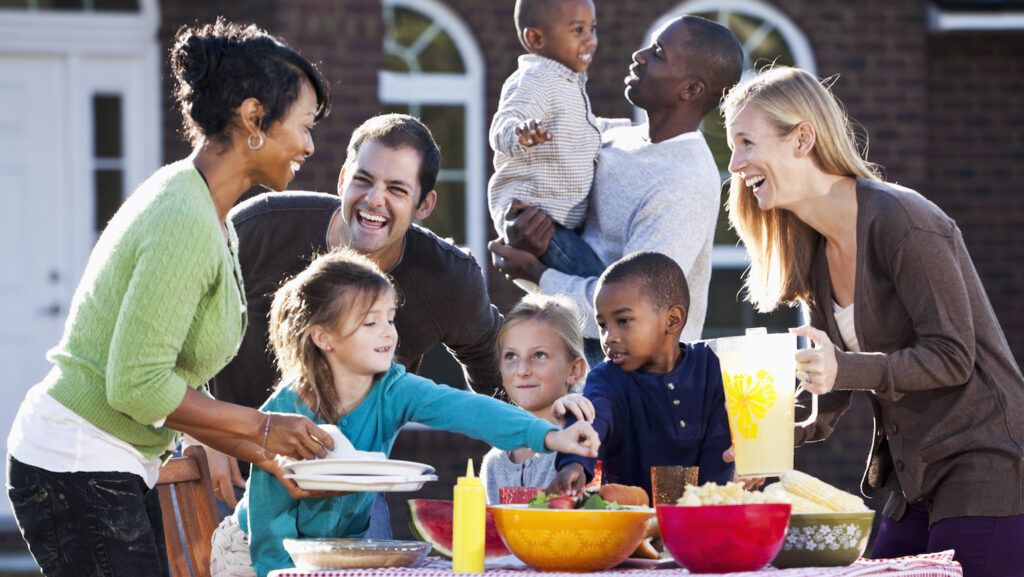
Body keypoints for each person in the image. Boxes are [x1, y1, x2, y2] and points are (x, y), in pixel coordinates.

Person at [5, 19, 337, 577]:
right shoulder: (183, 216)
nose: (308, 144)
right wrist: (259, 426)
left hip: (108, 461)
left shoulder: (210, 213)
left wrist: (259, 451)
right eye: (303, 126)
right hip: (75, 460)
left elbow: (167, 388)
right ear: (254, 118)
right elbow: (136, 383)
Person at [722, 65, 1024, 577]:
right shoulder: (815, 250)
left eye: (746, 142)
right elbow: (838, 385)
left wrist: (840, 368)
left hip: (985, 462)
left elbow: (952, 357)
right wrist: (779, 436)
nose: (734, 164)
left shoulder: (903, 222)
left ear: (802, 139)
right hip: (912, 476)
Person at [208, 249, 600, 577]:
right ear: (323, 337)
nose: (388, 333)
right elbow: (268, 515)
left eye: (390, 319)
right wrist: (275, 569)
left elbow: (467, 409)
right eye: (370, 322)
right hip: (255, 555)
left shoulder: (394, 389)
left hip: (333, 556)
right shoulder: (289, 409)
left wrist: (549, 436)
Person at [206, 114, 504, 502]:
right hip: (229, 468)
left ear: (424, 204)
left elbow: (499, 371)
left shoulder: (447, 278)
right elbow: (173, 324)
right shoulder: (262, 227)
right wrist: (200, 430)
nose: (374, 199)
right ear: (343, 177)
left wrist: (538, 444)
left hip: (350, 482)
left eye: (397, 189)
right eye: (364, 180)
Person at [490, 15, 744, 367]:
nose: (638, 56)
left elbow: (636, 309)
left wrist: (535, 274)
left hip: (639, 384)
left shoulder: (685, 181)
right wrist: (520, 229)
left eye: (657, 53)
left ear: (690, 90)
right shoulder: (611, 138)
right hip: (578, 355)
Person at [551, 252, 733, 499]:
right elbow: (592, 417)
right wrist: (573, 462)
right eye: (603, 325)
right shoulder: (608, 378)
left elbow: (732, 441)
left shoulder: (715, 368)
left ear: (672, 320)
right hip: (631, 524)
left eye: (623, 320)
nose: (608, 337)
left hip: (711, 518)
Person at [488, 0, 628, 280]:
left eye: (593, 28)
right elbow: (504, 122)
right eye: (578, 30)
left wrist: (628, 129)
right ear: (536, 38)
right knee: (600, 285)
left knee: (598, 282)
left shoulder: (569, 82)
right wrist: (521, 133)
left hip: (562, 218)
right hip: (538, 221)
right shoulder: (536, 78)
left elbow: (582, 129)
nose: (590, 40)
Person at [480, 294, 596, 504]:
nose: (522, 370)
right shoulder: (494, 462)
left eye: (539, 355)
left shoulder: (587, 442)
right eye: (511, 356)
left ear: (574, 369)